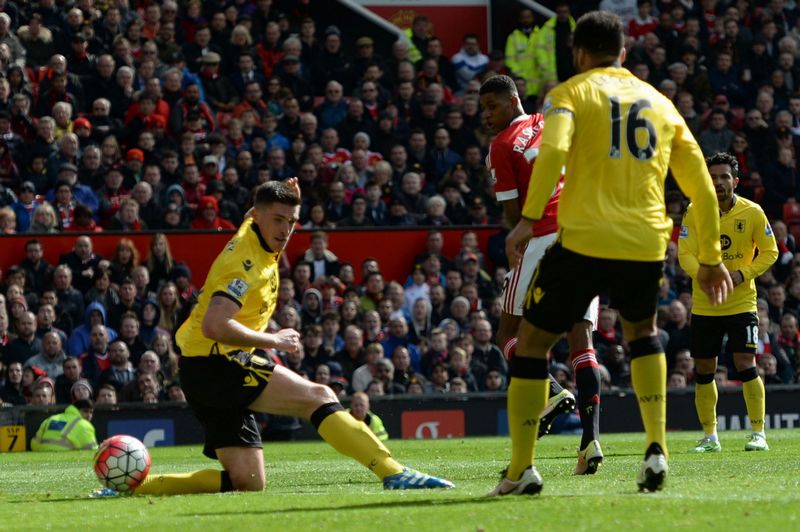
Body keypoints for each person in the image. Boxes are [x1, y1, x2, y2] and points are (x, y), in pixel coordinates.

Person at [500, 11, 732, 496]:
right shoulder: (660, 102)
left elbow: (553, 153)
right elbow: (701, 186)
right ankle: (656, 448)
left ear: (579, 54)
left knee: (531, 343)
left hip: (583, 238)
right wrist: (711, 259)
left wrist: (528, 218)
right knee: (642, 335)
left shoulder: (568, 94)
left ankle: (521, 470)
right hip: (644, 241)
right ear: (623, 53)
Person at [117, 179, 452, 497]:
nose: (285, 230)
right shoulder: (244, 264)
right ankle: (394, 472)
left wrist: (291, 198)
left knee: (248, 482)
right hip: (217, 363)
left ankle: (134, 486)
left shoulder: (254, 227)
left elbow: (256, 211)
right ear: (260, 216)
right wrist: (274, 341)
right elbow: (214, 325)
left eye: (291, 221)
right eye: (278, 220)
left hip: (201, 367)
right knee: (318, 396)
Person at [480, 74, 603, 475]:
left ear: (512, 100)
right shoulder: (550, 123)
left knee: (508, 333)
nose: (486, 115)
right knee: (581, 339)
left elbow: (514, 216)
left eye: (492, 106)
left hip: (541, 239)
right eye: (483, 109)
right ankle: (590, 442)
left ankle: (551, 391)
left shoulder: (501, 146)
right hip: (584, 236)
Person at [679, 152, 778, 453]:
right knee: (704, 369)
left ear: (735, 181)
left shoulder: (753, 212)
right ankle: (710, 437)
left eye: (724, 177)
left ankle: (758, 433)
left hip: (741, 303)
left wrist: (741, 274)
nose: (718, 182)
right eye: (713, 177)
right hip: (705, 304)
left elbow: (770, 251)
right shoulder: (695, 211)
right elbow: (685, 253)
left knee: (746, 364)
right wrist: (705, 276)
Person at [30, 398, 98, 451]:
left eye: (91, 412)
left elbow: (34, 444)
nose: (89, 415)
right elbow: (92, 450)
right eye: (85, 411)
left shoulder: (51, 419)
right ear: (76, 409)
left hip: (42, 455)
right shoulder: (85, 425)